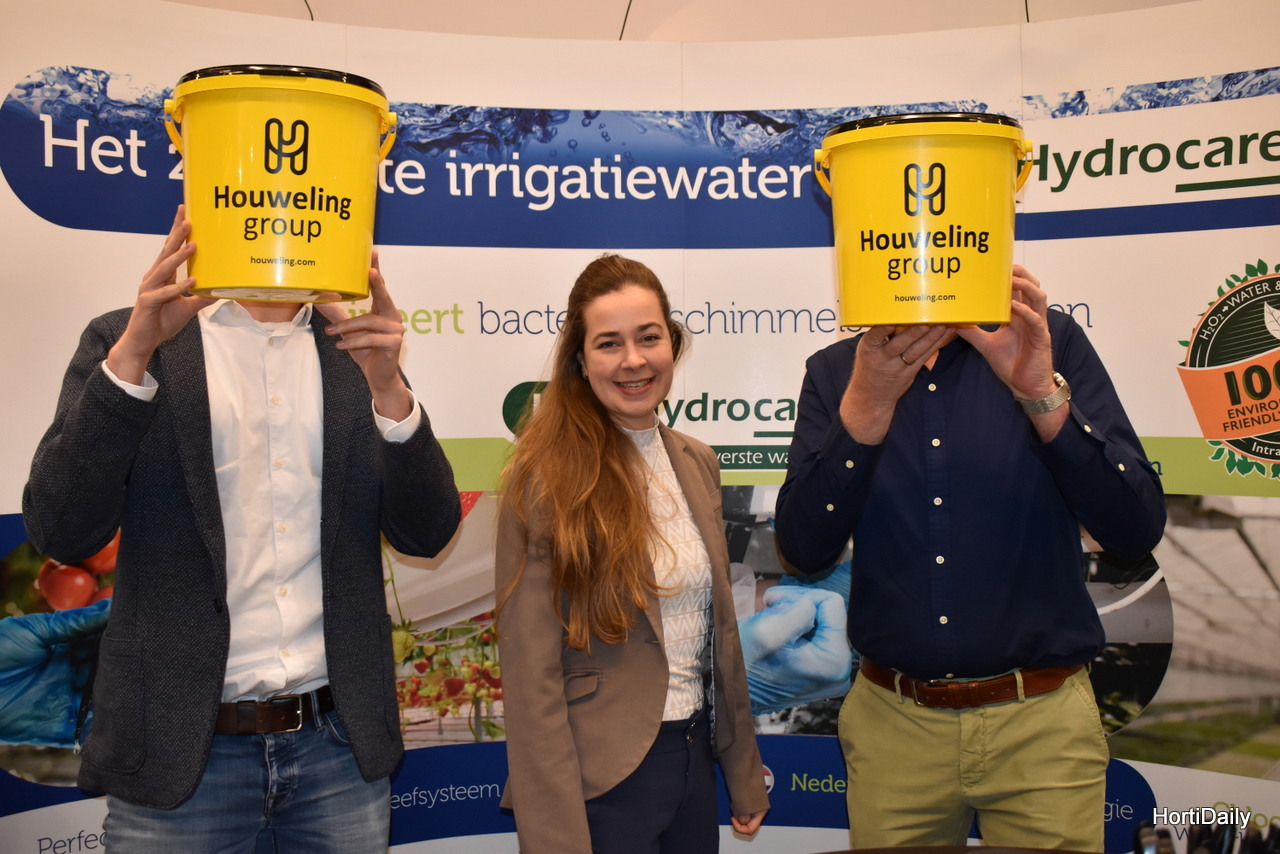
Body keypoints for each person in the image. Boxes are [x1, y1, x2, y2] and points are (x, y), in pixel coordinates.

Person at [22, 206, 461, 852]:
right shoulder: (128, 340)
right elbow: (61, 528)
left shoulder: (357, 350)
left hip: (337, 752)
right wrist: (135, 355)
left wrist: (389, 389)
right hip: (178, 760)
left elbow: (428, 531)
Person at [774, 266, 1166, 851]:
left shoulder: (1047, 341)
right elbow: (804, 550)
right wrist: (867, 403)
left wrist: (1040, 395)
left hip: (1042, 725)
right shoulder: (837, 373)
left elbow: (1135, 531)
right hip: (893, 728)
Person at [495, 255, 769, 853]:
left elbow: (721, 636)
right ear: (579, 360)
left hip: (693, 763)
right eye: (608, 343)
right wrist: (556, 839)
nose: (633, 360)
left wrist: (743, 773)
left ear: (672, 342)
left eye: (648, 337)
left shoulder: (698, 460)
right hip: (599, 781)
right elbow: (530, 672)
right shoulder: (543, 477)